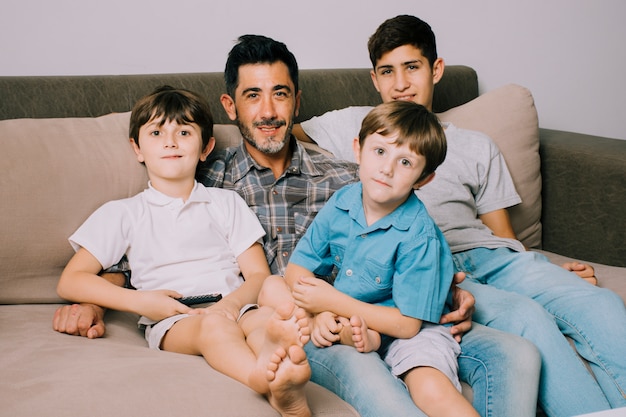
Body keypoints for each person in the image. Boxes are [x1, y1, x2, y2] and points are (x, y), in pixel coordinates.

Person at [53, 34, 541, 417]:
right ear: (230, 108)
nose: (267, 112)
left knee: (518, 352)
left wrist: (446, 285)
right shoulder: (211, 177)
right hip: (313, 322)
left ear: (296, 100)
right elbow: (146, 246)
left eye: (280, 94)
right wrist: (93, 298)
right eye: (253, 97)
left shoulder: (348, 174)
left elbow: (404, 230)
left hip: (378, 304)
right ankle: (277, 383)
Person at [294, 14, 626, 416]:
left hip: (489, 256)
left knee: (600, 303)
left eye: (412, 67)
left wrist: (547, 270)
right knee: (527, 318)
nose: (400, 83)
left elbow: (504, 236)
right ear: (374, 79)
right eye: (387, 72)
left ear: (436, 70)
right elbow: (272, 127)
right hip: (431, 266)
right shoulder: (363, 125)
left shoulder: (476, 144)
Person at [55, 85, 312, 417]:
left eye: (184, 132)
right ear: (137, 148)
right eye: (157, 132)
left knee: (266, 321)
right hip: (175, 318)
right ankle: (258, 377)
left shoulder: (226, 203)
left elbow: (259, 275)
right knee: (214, 330)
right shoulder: (123, 213)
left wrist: (231, 306)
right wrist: (141, 302)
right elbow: (71, 281)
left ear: (205, 147)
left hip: (236, 305)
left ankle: (282, 384)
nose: (171, 141)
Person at [285, 100, 479, 417]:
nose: (387, 168)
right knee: (272, 288)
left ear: (423, 179)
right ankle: (355, 336)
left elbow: (407, 325)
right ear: (358, 150)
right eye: (379, 152)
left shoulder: (419, 234)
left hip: (411, 327)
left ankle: (363, 336)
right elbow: (297, 269)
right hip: (353, 317)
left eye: (405, 162)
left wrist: (331, 303)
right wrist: (319, 309)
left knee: (431, 388)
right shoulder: (342, 203)